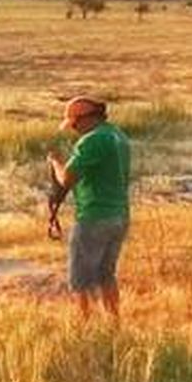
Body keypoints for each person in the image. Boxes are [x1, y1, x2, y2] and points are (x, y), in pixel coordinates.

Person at [47, 96, 131, 321]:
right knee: (106, 275)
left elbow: (66, 179)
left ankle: (84, 326)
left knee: (80, 280)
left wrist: (55, 162)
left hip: (93, 216)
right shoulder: (118, 136)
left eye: (74, 124)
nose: (74, 130)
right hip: (119, 215)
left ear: (85, 119)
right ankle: (113, 323)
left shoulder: (92, 140)